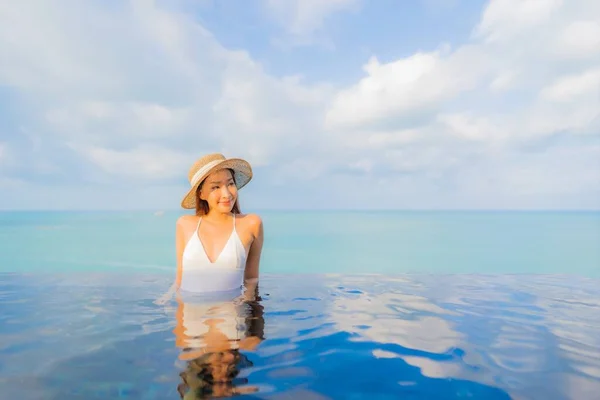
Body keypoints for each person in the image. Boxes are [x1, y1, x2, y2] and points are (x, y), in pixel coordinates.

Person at [155, 153, 264, 305]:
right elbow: (180, 277)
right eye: (215, 187)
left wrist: (245, 301)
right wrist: (167, 297)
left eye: (230, 184)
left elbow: (251, 278)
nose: (226, 194)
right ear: (201, 194)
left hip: (231, 317)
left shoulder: (251, 223)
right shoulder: (184, 224)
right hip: (191, 317)